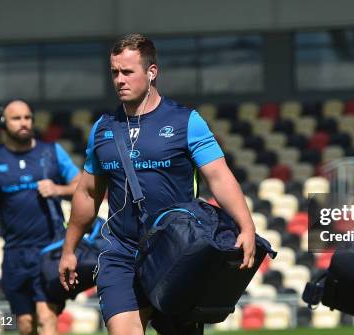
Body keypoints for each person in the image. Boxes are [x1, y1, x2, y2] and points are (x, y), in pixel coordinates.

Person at [58, 33, 256, 335]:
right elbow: (87, 193)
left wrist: (246, 226)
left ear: (152, 72)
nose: (119, 80)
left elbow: (219, 176)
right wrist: (69, 249)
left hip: (177, 253)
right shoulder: (102, 128)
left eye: (128, 72)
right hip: (121, 253)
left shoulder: (186, 121)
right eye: (114, 72)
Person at [0, 99, 81, 335]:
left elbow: (80, 186)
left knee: (47, 317)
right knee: (25, 324)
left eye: (27, 118)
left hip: (50, 249)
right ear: (4, 123)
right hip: (15, 253)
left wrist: (58, 189)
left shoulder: (52, 152)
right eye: (16, 118)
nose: (24, 123)